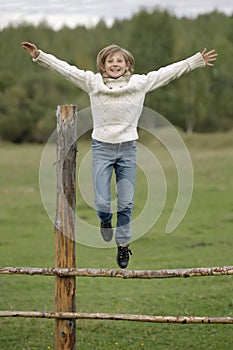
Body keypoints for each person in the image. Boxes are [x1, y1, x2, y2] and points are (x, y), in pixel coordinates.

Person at [21, 41, 217, 269]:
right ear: (102, 66)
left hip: (128, 150)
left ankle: (123, 245)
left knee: (126, 203)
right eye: (110, 61)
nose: (115, 64)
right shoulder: (92, 82)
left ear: (128, 64)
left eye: (119, 61)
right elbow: (66, 69)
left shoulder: (139, 83)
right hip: (102, 149)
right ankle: (105, 222)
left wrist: (195, 61)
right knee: (103, 202)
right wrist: (39, 56)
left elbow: (168, 73)